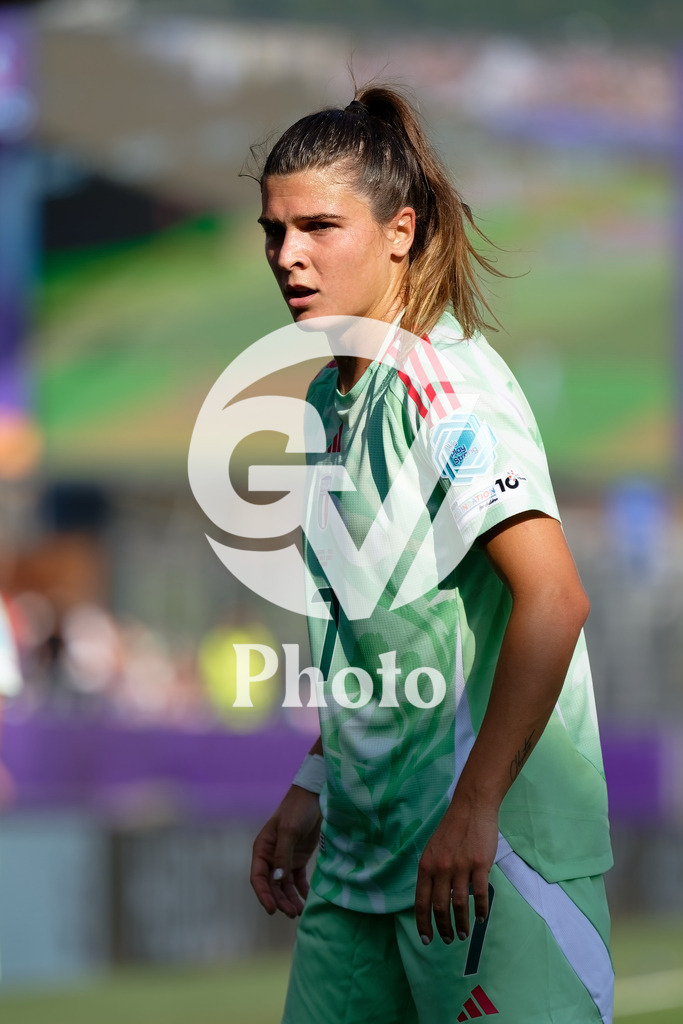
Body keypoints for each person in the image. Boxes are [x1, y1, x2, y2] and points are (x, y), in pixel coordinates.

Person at [249, 85, 613, 1024]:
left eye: (318, 227)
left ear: (399, 231)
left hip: (486, 864)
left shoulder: (442, 387)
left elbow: (553, 599)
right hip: (359, 870)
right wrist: (315, 780)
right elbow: (384, 630)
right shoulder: (327, 401)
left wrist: (476, 807)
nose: (288, 255)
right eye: (274, 231)